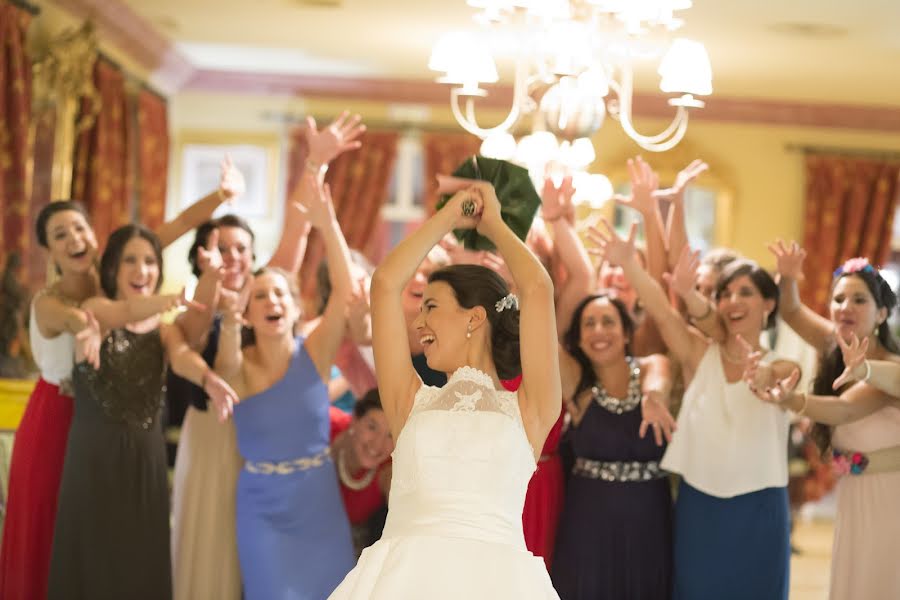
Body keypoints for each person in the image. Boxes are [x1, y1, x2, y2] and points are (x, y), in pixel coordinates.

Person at [329, 182, 561, 599]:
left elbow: (538, 290)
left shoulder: (531, 408)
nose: (417, 325)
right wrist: (449, 216)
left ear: (474, 318)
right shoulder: (408, 401)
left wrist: (494, 226)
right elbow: (384, 283)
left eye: (431, 307)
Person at [168, 112, 365, 600]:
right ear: (200, 256)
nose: (232, 258)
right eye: (220, 249)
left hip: (296, 476)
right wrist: (224, 316)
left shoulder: (270, 292)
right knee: (213, 561)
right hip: (217, 444)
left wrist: (315, 164)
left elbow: (301, 226)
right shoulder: (194, 313)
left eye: (241, 249)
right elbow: (194, 358)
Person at [0, 184, 230, 600]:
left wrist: (221, 195)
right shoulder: (56, 302)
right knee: (51, 536)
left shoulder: (123, 269)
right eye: (60, 235)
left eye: (80, 228)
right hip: (57, 417)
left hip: (111, 430)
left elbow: (178, 226)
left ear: (94, 233)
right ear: (48, 252)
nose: (74, 240)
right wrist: (85, 324)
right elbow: (87, 316)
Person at [589, 217, 799, 600]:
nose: (733, 301)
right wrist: (628, 264)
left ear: (769, 303)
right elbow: (661, 310)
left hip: (761, 508)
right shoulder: (699, 353)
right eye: (726, 294)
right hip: (700, 505)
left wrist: (767, 374)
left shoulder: (783, 365)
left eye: (746, 292)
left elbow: (784, 377)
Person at [214, 179, 356, 599]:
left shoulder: (314, 351)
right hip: (262, 508)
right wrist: (228, 320)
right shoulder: (237, 365)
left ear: (294, 308)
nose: (271, 301)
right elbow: (224, 365)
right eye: (259, 296)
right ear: (247, 311)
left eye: (280, 294)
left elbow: (346, 293)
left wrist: (328, 223)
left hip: (318, 501)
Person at [761, 248, 900, 600]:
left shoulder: (890, 368)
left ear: (882, 313)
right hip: (857, 495)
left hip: (891, 496)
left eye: (858, 299)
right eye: (838, 299)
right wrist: (789, 275)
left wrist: (790, 400)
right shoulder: (834, 346)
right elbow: (791, 310)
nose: (845, 307)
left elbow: (843, 411)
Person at [551, 293, 676, 599]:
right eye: (588, 324)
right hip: (589, 518)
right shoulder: (576, 382)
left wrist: (652, 398)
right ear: (578, 340)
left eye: (608, 322)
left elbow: (660, 378)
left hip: (650, 516)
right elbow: (538, 334)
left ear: (627, 333)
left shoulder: (652, 366)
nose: (598, 331)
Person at [329, 389, 394, 555]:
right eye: (372, 427)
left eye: (390, 435)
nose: (378, 444)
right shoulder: (326, 426)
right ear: (355, 419)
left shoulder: (390, 470)